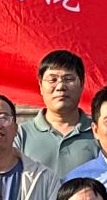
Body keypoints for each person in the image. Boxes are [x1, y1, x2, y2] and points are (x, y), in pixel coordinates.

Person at [17, 49, 96, 177]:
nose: (60, 87)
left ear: (82, 84)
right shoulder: (21, 135)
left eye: (68, 79)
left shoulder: (99, 132)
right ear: (40, 86)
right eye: (52, 80)